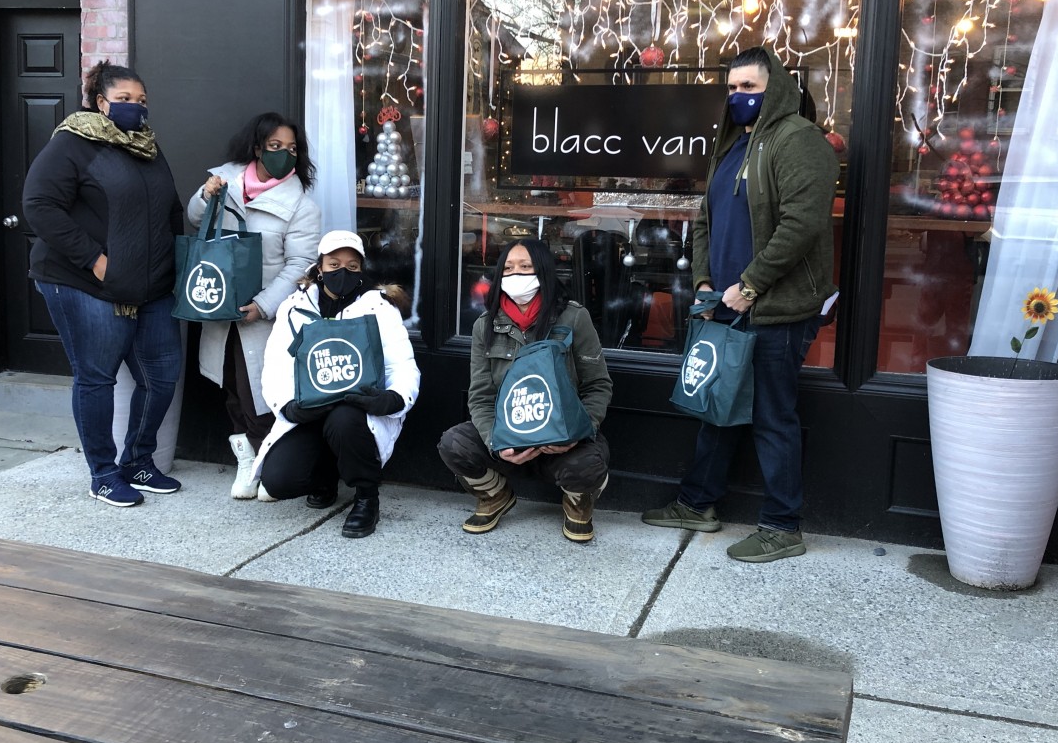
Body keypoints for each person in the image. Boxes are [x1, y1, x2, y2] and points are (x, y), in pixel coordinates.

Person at [641, 46, 838, 562]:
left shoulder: (800, 140)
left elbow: (803, 225)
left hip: (775, 309)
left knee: (773, 416)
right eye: (731, 88)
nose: (737, 97)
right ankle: (698, 504)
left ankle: (781, 525)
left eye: (748, 88)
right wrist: (707, 282)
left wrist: (749, 286)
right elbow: (705, 220)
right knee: (717, 408)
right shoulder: (733, 145)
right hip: (725, 303)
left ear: (774, 90)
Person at [23, 60, 184, 507]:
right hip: (83, 283)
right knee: (96, 379)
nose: (136, 108)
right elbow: (39, 205)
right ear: (100, 102)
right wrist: (95, 261)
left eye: (141, 100)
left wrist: (176, 259)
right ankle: (103, 472)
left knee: (162, 376)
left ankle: (138, 460)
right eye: (125, 100)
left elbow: (169, 206)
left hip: (150, 285)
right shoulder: (73, 144)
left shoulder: (146, 147)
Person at [438, 238, 613, 543]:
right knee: (454, 444)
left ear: (542, 270)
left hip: (562, 443)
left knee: (589, 464)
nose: (515, 274)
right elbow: (480, 394)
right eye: (507, 268)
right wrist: (496, 441)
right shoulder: (486, 325)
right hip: (510, 439)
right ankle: (495, 496)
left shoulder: (573, 317)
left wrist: (576, 433)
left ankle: (577, 501)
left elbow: (598, 385)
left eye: (525, 267)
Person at [249, 230, 419, 538]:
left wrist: (394, 398)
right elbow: (275, 364)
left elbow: (401, 364)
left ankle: (367, 498)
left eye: (353, 266)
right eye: (334, 263)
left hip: (356, 409)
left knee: (343, 420)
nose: (343, 271)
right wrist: (286, 405)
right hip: (311, 409)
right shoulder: (294, 307)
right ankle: (324, 477)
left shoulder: (378, 307)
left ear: (361, 271)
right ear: (319, 268)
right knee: (278, 481)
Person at [187, 113, 321, 499]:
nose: (284, 154)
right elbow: (197, 222)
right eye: (275, 146)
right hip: (218, 307)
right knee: (230, 386)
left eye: (292, 148)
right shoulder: (224, 181)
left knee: (260, 395)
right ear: (257, 147)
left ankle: (270, 466)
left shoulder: (300, 204)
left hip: (262, 318)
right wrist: (206, 194)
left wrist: (262, 306)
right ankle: (247, 463)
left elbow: (301, 265)